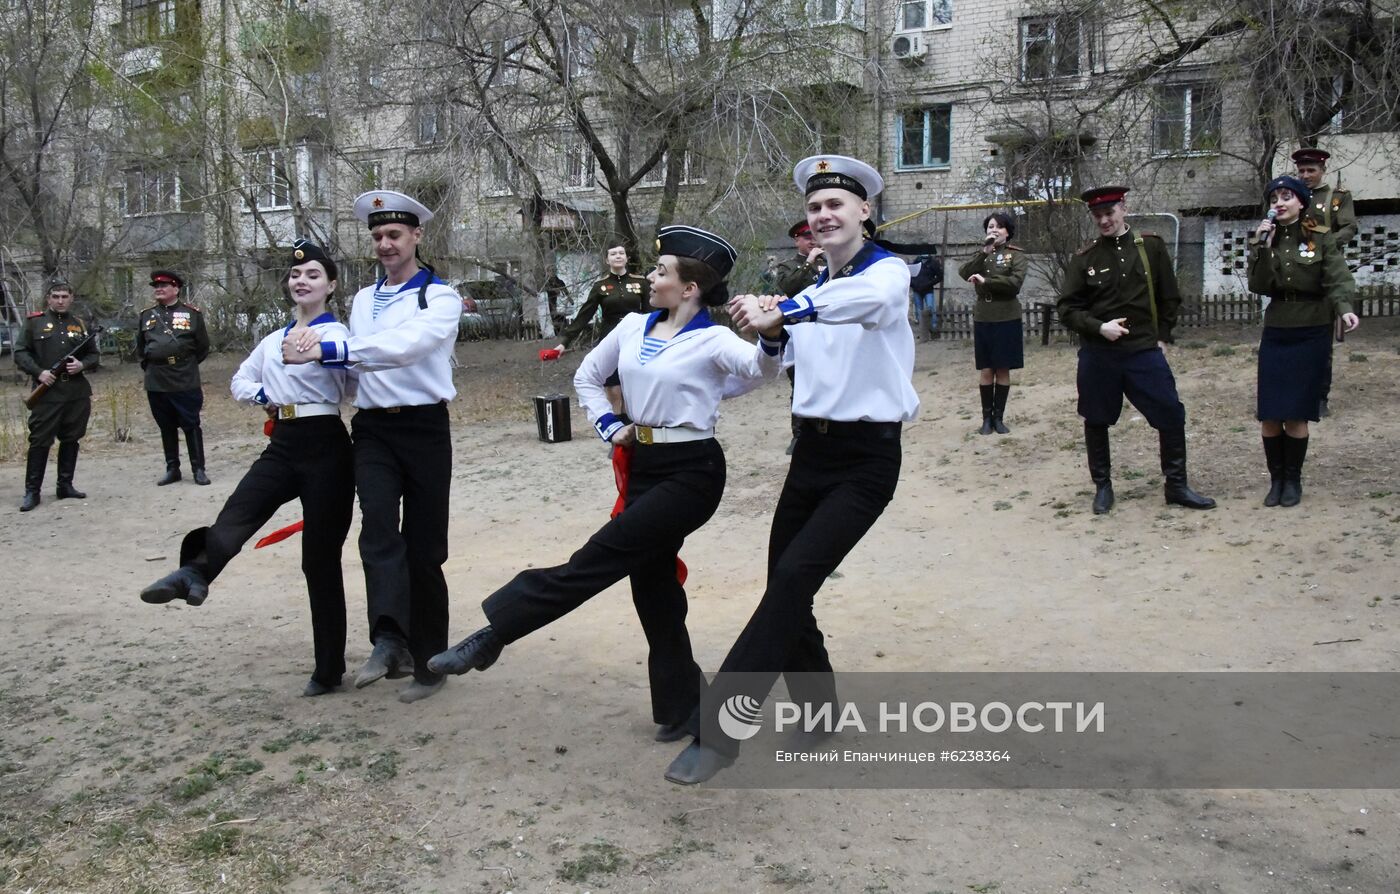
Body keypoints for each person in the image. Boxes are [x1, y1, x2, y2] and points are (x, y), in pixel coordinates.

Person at [427, 225, 780, 740]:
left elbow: (759, 371)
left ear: (690, 289)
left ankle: (495, 633)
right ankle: (683, 707)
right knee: (653, 588)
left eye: (661, 272)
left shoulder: (713, 339)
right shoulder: (632, 327)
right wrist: (610, 426)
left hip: (693, 473)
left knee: (599, 557)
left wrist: (771, 334)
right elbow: (588, 378)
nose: (650, 278)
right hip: (643, 467)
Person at [664, 155, 919, 785]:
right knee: (787, 578)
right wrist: (767, 328)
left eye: (837, 204)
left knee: (793, 578)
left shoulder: (885, 273)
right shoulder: (807, 292)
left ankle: (719, 730)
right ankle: (818, 707)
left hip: (866, 461)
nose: (824, 215)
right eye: (815, 207)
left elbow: (864, 302)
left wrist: (789, 313)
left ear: (865, 212)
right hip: (811, 453)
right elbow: (778, 360)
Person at [140, 241, 355, 696]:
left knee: (319, 561)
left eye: (314, 275)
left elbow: (355, 371)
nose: (302, 281)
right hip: (284, 441)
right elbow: (240, 380)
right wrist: (265, 397)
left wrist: (321, 352)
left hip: (327, 447)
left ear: (331, 285)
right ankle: (196, 573)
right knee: (239, 510)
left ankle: (329, 668)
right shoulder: (272, 340)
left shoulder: (342, 335)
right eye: (296, 276)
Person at [283, 190, 463, 704]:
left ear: (416, 237)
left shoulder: (439, 297)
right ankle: (389, 640)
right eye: (377, 237)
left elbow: (408, 347)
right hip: (373, 430)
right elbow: (352, 365)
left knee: (426, 548)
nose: (385, 244)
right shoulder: (363, 299)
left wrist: (332, 348)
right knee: (378, 527)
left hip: (425, 430)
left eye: (394, 235)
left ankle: (430, 658)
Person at [1055, 186, 1215, 515]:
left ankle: (1177, 485)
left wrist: (1163, 337)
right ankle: (1103, 486)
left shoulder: (1150, 247)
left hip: (1143, 350)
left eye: (1109, 213)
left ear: (1123, 208)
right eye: (1097, 216)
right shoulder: (1085, 258)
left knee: (1170, 412)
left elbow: (1169, 295)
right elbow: (1067, 309)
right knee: (1096, 419)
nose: (1104, 220)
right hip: (1100, 353)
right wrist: (1099, 327)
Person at [1248, 175, 1359, 507]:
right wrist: (1262, 248)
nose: (1279, 203)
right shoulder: (1263, 239)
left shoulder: (1319, 237)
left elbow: (1337, 277)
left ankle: (1293, 481)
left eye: (1286, 197)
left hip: (1311, 330)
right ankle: (1276, 480)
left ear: (1300, 202)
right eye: (1274, 198)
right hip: (1278, 329)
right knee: (1270, 413)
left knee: (1296, 413)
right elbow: (1259, 285)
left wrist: (1344, 309)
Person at [14, 281, 98, 511]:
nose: (60, 300)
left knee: (71, 438)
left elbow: (94, 356)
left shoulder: (79, 324)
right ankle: (32, 491)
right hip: (47, 394)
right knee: (40, 441)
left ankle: (65, 485)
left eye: (64, 296)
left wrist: (82, 365)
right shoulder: (34, 323)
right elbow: (20, 352)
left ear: (71, 298)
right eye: (55, 296)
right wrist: (39, 372)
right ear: (48, 299)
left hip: (76, 393)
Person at [1292, 148, 1357, 419]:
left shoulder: (1337, 198)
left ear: (1322, 171)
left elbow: (1349, 227)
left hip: (1324, 277)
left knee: (1320, 341)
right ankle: (1294, 394)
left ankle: (1319, 397)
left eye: (1311, 171)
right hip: (1295, 274)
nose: (1306, 175)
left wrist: (1325, 245)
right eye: (1302, 171)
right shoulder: (1293, 196)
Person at [551, 241, 650, 412]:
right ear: (607, 260)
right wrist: (564, 342)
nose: (617, 256)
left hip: (636, 340)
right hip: (610, 341)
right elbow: (584, 316)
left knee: (632, 389)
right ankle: (617, 431)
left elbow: (652, 313)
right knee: (613, 389)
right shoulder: (600, 286)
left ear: (627, 258)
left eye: (621, 253)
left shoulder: (641, 283)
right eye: (613, 254)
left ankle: (630, 430)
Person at [137, 270, 211, 486]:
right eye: (156, 286)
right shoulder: (147, 315)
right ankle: (172, 469)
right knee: (166, 426)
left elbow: (203, 347)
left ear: (176, 288)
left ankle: (198, 469)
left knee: (191, 424)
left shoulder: (191, 314)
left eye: (164, 285)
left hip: (184, 378)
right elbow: (140, 349)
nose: (159, 289)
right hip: (157, 379)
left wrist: (183, 365)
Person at [958, 211, 1028, 434]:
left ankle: (999, 418)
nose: (993, 230)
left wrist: (986, 280)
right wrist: (983, 252)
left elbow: (1014, 283)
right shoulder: (982, 254)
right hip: (984, 316)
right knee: (986, 368)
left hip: (1007, 315)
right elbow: (964, 272)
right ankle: (986, 419)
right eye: (990, 227)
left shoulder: (1016, 256)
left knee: (1003, 368)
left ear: (1008, 232)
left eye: (999, 226)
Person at [772, 220, 824, 299]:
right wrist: (808, 262)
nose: (813, 242)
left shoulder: (828, 261)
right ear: (797, 241)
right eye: (808, 238)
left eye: (815, 238)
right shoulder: (787, 266)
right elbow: (787, 288)